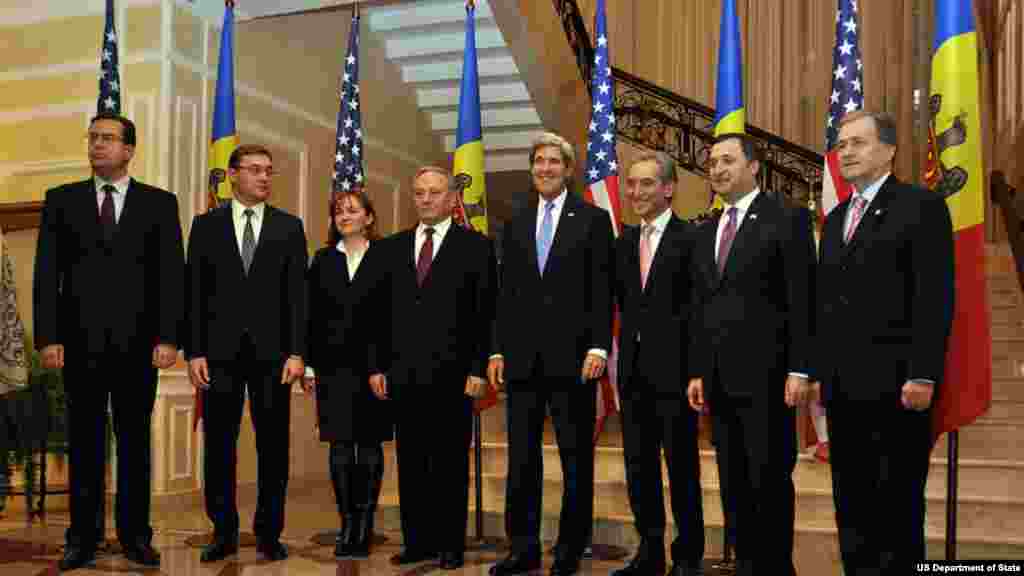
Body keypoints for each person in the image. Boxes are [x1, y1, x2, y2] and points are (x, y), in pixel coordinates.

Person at [33, 113, 184, 571]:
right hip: (78, 346)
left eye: (107, 139)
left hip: (140, 348)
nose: (97, 145)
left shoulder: (159, 203)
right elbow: (46, 275)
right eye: (93, 138)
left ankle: (136, 536)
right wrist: (49, 338)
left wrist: (169, 337)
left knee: (135, 443)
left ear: (129, 149)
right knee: (85, 444)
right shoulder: (62, 201)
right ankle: (82, 538)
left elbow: (171, 277)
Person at [815, 110, 954, 573]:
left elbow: (932, 296)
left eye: (857, 142)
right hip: (842, 390)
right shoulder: (835, 220)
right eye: (841, 144)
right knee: (851, 505)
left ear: (889, 150)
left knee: (896, 507)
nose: (846, 152)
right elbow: (828, 305)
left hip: (898, 389)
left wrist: (922, 372)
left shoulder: (921, 206)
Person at [686, 133, 815, 576]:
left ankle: (776, 567)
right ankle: (746, 563)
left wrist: (801, 367)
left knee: (770, 481)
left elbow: (802, 299)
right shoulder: (706, 228)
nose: (718, 169)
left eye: (728, 160)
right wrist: (699, 370)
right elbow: (703, 307)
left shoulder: (787, 218)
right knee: (733, 482)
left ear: (754, 166)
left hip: (771, 379)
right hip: (720, 381)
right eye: (712, 163)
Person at [488, 133, 614, 576]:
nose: (545, 168)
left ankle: (569, 548)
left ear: (568, 170)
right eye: (538, 161)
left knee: (574, 458)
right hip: (521, 361)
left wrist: (599, 345)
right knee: (522, 459)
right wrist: (497, 348)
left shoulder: (594, 221)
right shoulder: (515, 221)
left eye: (553, 162)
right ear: (531, 169)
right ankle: (521, 548)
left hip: (574, 360)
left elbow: (603, 289)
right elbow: (505, 294)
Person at [185, 144, 307, 563]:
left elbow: (297, 297)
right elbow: (194, 294)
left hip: (274, 359)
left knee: (273, 446)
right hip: (218, 357)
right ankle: (223, 531)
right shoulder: (206, 226)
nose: (264, 178)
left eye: (269, 171)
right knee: (220, 445)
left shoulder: (289, 227)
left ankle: (269, 533)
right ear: (233, 174)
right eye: (255, 170)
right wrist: (195, 351)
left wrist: (297, 352)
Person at [378, 166, 496, 571]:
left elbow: (485, 314)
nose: (426, 199)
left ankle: (450, 544)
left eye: (435, 192)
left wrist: (479, 368)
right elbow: (379, 316)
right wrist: (379, 367)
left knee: (448, 464)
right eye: (420, 193)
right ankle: (417, 542)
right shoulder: (391, 248)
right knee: (411, 464)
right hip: (404, 375)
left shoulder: (475, 247)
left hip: (455, 375)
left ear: (451, 200)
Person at [611, 152, 703, 576]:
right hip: (632, 374)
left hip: (677, 376)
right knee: (639, 468)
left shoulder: (692, 240)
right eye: (631, 184)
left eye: (646, 184)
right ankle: (649, 551)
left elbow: (701, 311)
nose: (636, 192)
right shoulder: (624, 243)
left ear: (668, 188)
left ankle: (687, 556)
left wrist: (697, 370)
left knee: (681, 468)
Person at [306, 189, 391, 558]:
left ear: (369, 218)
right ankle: (346, 525)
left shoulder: (388, 258)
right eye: (338, 211)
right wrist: (309, 364)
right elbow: (310, 316)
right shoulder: (323, 259)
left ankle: (365, 526)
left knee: (369, 446)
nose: (344, 216)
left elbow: (395, 318)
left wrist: (383, 367)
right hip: (333, 369)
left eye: (352, 210)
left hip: (375, 371)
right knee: (340, 447)